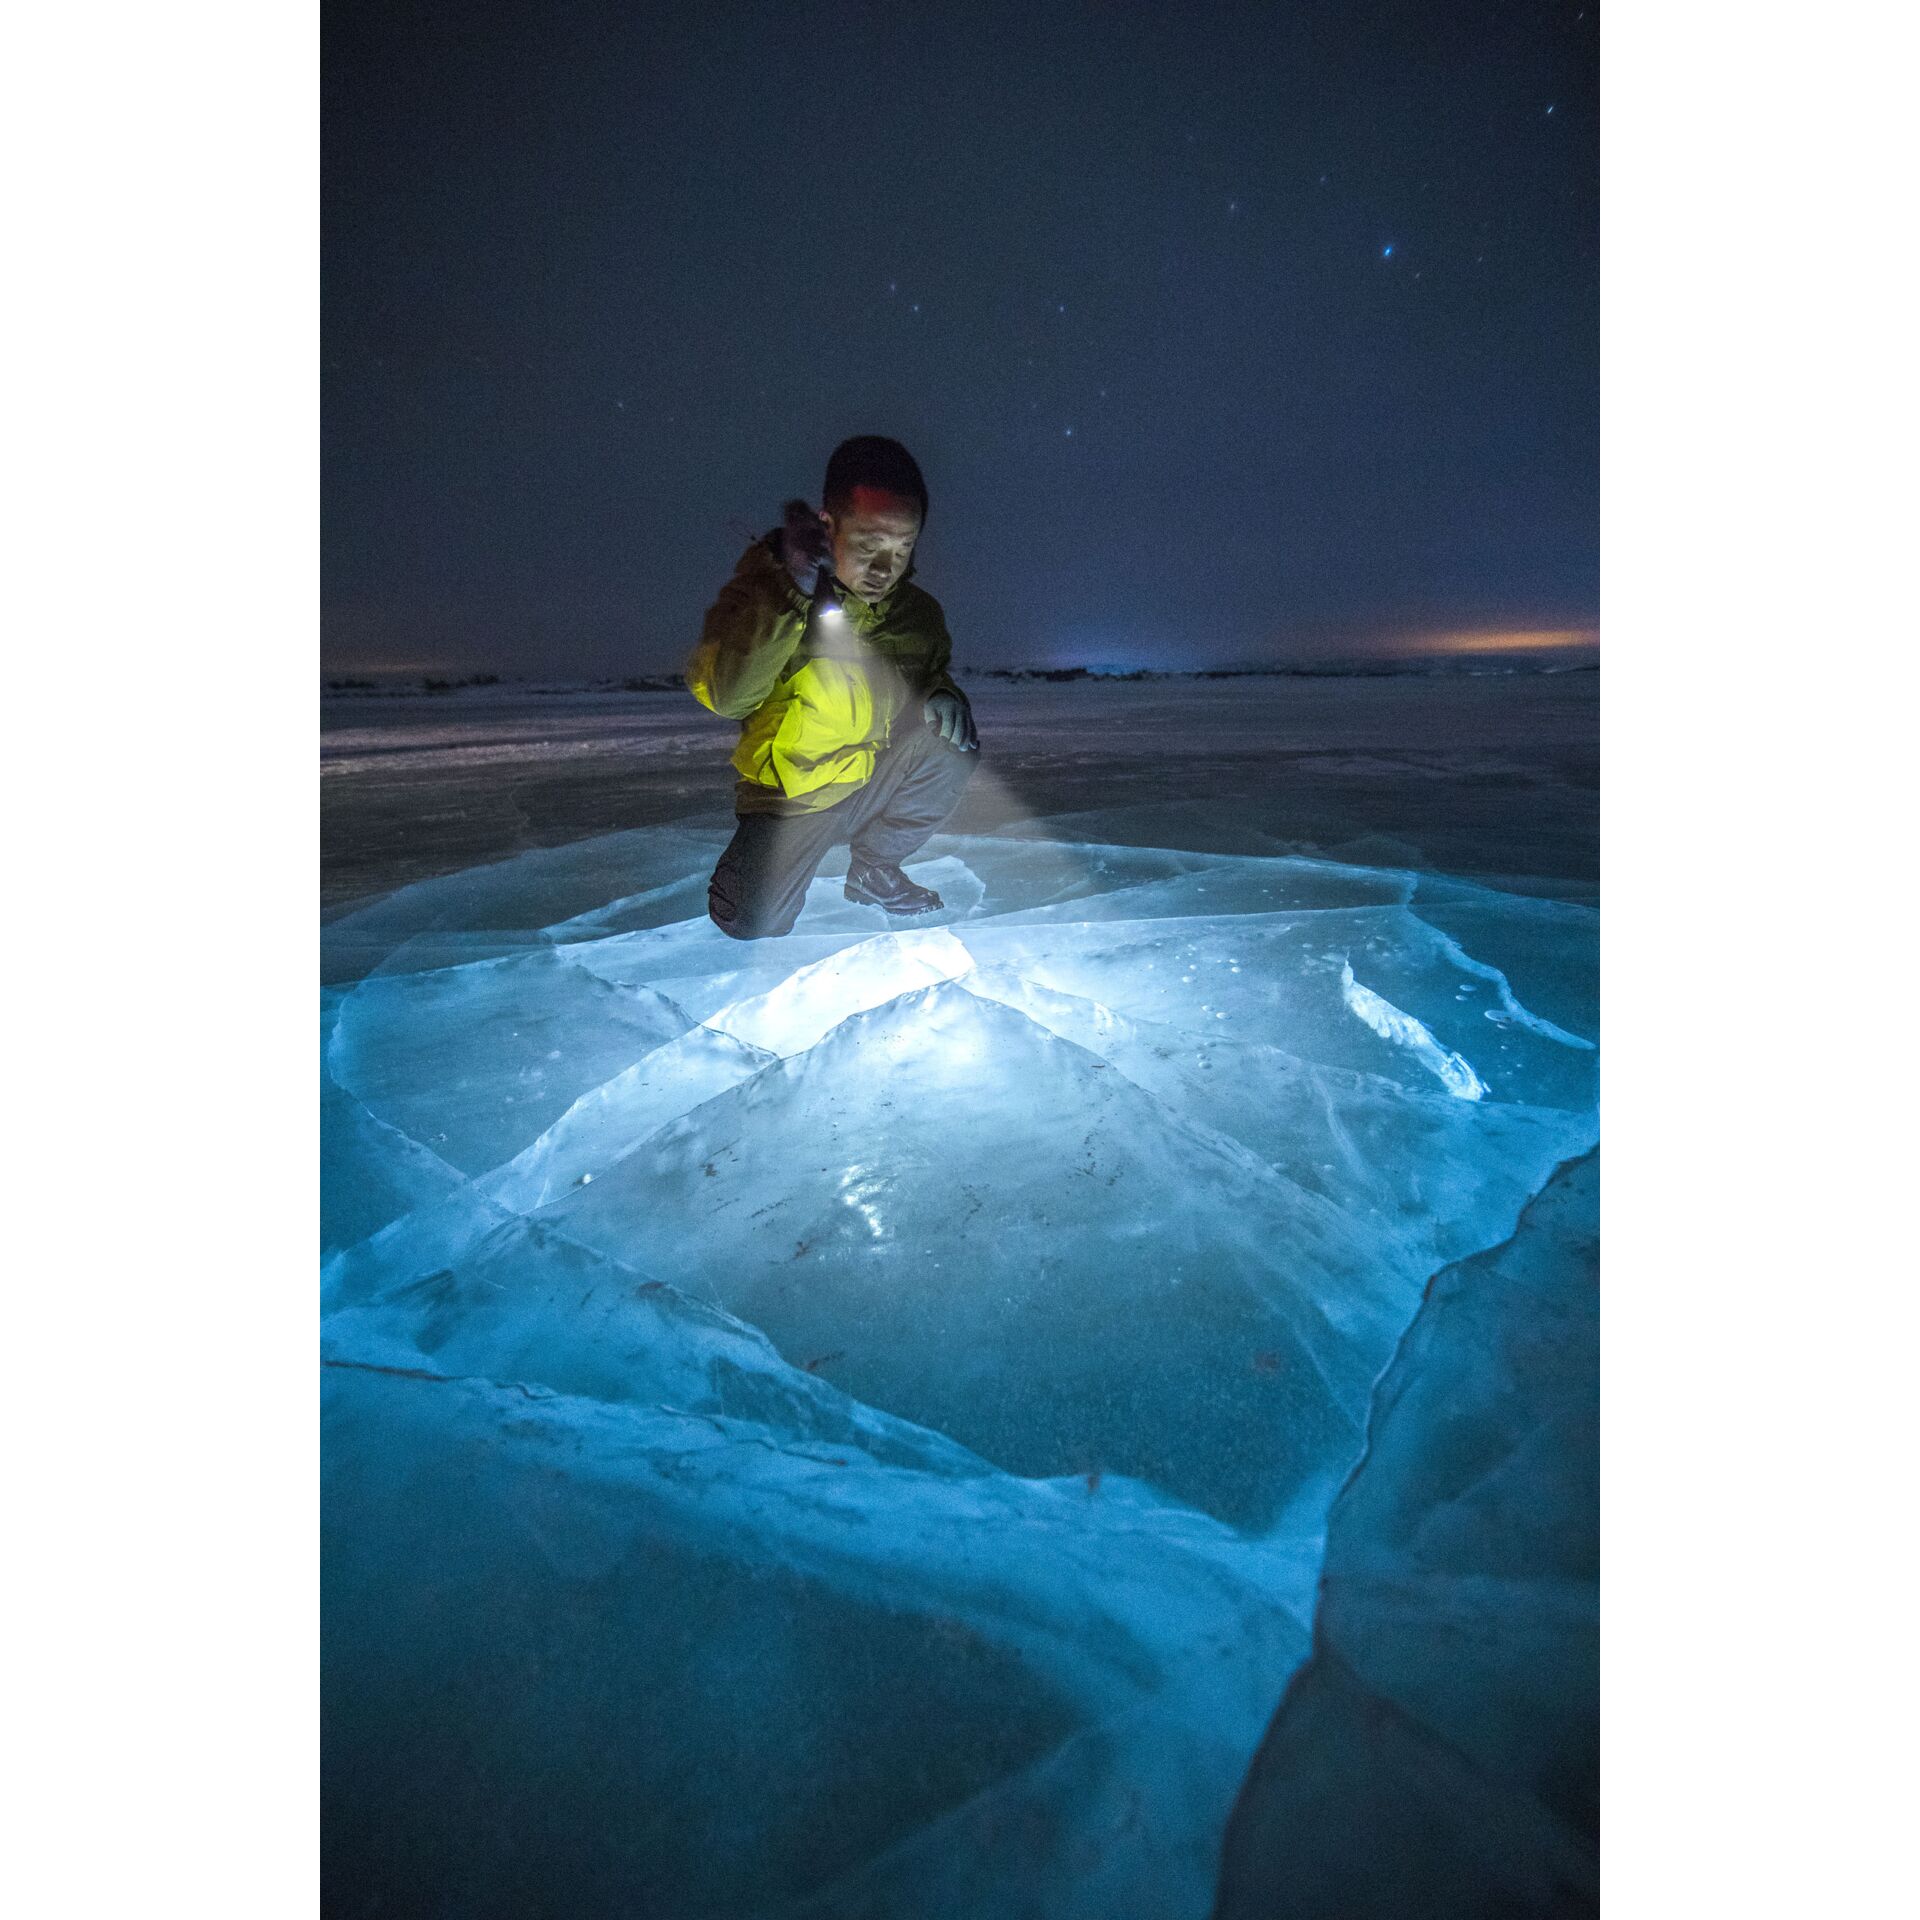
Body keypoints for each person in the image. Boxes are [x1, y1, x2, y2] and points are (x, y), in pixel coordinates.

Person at [685, 436, 980, 940]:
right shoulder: (771, 592)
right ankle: (761, 874)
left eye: (902, 547)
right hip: (791, 798)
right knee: (751, 922)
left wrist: (941, 692)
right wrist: (792, 588)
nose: (885, 569)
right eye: (869, 545)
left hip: (867, 778)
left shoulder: (918, 614)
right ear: (828, 526)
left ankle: (875, 869)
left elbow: (929, 673)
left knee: (951, 743)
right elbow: (728, 695)